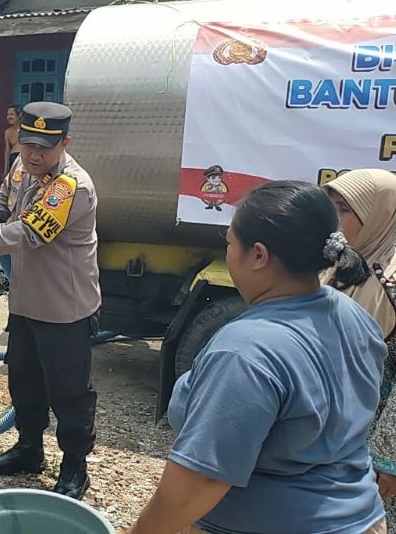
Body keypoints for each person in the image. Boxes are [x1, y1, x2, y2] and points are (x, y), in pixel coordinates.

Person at [122, 181, 385, 534]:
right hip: (361, 519)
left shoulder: (246, 351)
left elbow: (195, 486)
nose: (228, 252)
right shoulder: (352, 315)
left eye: (230, 243)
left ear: (259, 255)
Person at [0, 102, 100, 499]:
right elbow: (2, 207)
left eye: (44, 147)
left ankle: (75, 466)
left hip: (65, 308)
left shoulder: (70, 186)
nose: (33, 154)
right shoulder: (21, 167)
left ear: (65, 143)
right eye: (27, 144)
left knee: (69, 392)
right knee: (24, 381)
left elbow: (30, 233)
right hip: (26, 302)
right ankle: (30, 449)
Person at [324, 168, 396, 526]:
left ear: (380, 215)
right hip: (330, 428)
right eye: (332, 207)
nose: (334, 220)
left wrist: (388, 457)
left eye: (345, 209)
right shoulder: (339, 266)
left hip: (373, 438)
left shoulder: (391, 283)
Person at [3, 104, 22, 180]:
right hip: (13, 160)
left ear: (19, 115)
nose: (9, 117)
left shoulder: (25, 130)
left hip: (23, 160)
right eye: (8, 115)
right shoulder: (7, 132)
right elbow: (7, 152)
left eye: (12, 114)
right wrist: (5, 171)